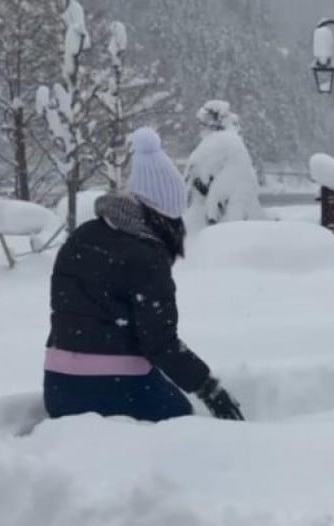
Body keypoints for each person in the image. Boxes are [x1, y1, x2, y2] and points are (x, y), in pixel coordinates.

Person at [43, 127, 244, 423]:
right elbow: (159, 343)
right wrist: (209, 389)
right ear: (163, 218)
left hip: (59, 387)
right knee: (184, 422)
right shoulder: (146, 255)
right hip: (114, 386)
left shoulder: (82, 236)